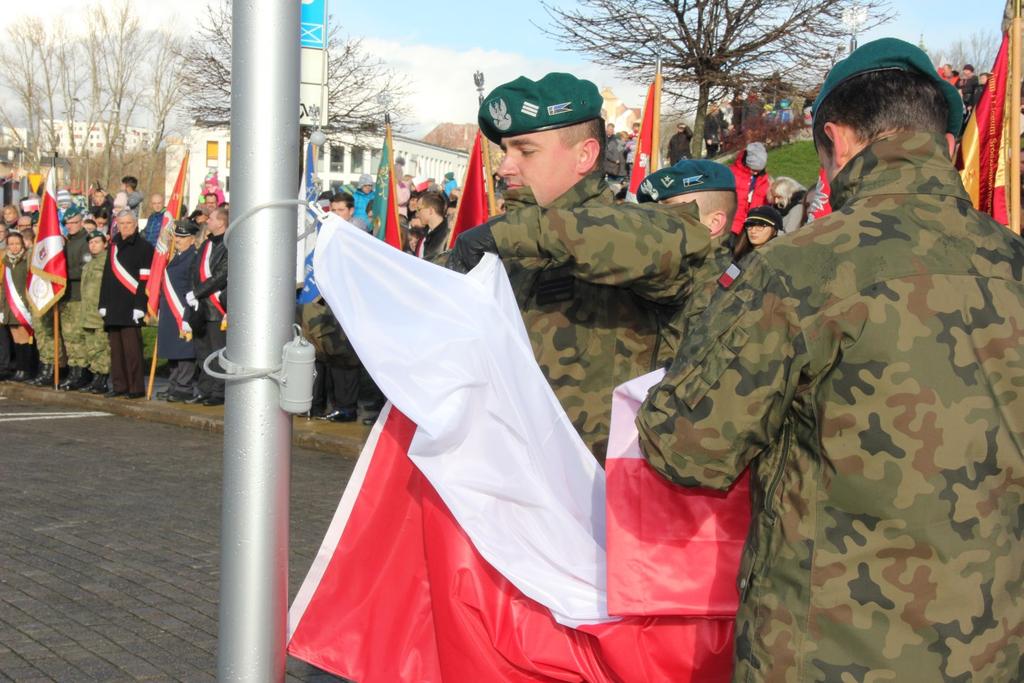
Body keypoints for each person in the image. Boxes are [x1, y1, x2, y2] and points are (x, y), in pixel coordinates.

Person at [637, 37, 1024, 681]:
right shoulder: (1015, 262)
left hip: (828, 652)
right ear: (949, 147)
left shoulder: (804, 264)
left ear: (838, 142)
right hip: (996, 650)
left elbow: (687, 446)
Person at [448, 72, 711, 462]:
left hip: (599, 493)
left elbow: (671, 238)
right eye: (505, 151)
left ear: (585, 155)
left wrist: (509, 234)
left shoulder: (628, 233)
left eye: (526, 151)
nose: (504, 167)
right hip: (507, 484)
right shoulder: (502, 245)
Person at [636, 158, 737, 360]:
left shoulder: (722, 293)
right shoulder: (668, 271)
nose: (654, 221)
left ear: (713, 223)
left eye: (671, 212)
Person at [98, 209, 154, 399]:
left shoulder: (145, 247)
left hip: (132, 306)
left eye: (129, 223)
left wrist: (140, 305)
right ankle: (119, 386)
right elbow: (107, 276)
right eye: (122, 224)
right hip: (113, 305)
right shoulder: (113, 246)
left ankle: (135, 388)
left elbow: (145, 279)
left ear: (136, 224)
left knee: (132, 352)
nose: (125, 227)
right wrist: (103, 302)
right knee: (116, 351)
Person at [186, 206, 228, 406]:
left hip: (216, 307)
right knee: (202, 352)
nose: (206, 221)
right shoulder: (207, 244)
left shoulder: (230, 244)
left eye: (210, 218)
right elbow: (196, 269)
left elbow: (221, 275)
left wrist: (197, 292)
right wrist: (193, 294)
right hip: (201, 307)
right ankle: (204, 389)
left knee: (217, 352)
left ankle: (219, 392)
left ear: (221, 222)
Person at [157, 220, 200, 402]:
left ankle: (184, 387)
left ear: (192, 239)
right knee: (172, 349)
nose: (179, 240)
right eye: (177, 236)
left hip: (183, 309)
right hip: (170, 309)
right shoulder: (176, 256)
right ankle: (173, 384)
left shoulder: (193, 257)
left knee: (184, 351)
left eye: (183, 237)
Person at [57, 206, 94, 391]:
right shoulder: (65, 243)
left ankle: (82, 372)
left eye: (73, 223)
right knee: (69, 337)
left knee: (79, 336)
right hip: (65, 296)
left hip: (79, 295)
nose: (69, 226)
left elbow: (84, 268)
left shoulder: (85, 241)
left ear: (81, 223)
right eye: (67, 223)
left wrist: (60, 273)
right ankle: (74, 370)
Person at [0, 230, 36, 381]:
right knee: (16, 339)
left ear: (22, 244)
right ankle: (19, 369)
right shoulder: (6, 262)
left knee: (24, 338)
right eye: (11, 244)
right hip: (10, 305)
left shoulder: (27, 259)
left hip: (23, 305)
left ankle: (26, 369)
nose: (14, 247)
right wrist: (2, 308)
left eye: (17, 244)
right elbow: (3, 287)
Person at [78, 229, 110, 394]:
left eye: (97, 242)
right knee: (91, 347)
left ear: (105, 244)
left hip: (99, 314)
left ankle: (102, 379)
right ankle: (95, 378)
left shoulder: (108, 262)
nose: (93, 245)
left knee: (101, 347)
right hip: (87, 313)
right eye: (91, 242)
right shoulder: (90, 263)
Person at [729, 141, 770, 233]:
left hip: (752, 224)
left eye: (759, 170)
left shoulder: (764, 180)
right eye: (753, 169)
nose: (756, 172)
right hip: (732, 223)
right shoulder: (732, 173)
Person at [415, 191, 450, 261]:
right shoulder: (425, 234)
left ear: (430, 210)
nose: (417, 214)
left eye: (419, 209)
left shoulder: (447, 236)